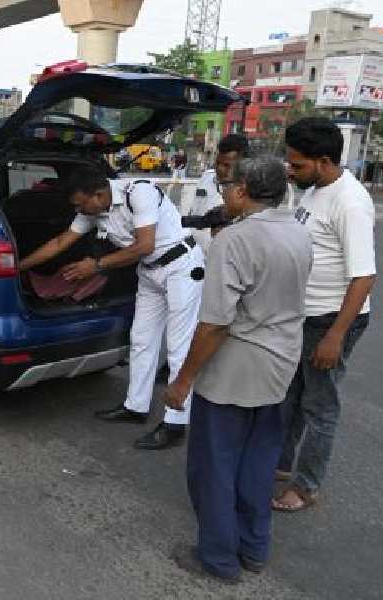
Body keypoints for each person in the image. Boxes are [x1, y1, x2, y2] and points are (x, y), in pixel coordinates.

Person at [164, 157, 313, 582]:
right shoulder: (299, 232)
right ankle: (253, 548)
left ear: (244, 189)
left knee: (214, 465)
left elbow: (215, 324)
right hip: (281, 364)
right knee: (259, 462)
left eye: (228, 185)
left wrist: (183, 380)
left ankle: (218, 558)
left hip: (236, 370)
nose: (224, 192)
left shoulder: (235, 240)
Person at [18, 163, 204, 450]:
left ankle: (175, 422)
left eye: (82, 205)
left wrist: (97, 266)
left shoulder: (138, 193)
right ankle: (135, 407)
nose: (80, 212)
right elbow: (59, 242)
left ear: (100, 194)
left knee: (178, 346)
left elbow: (145, 244)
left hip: (181, 268)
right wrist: (18, 267)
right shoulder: (92, 209)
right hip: (150, 272)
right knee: (141, 340)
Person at [272, 118, 376, 512]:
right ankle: (281, 464)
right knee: (291, 395)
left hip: (330, 319)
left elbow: (364, 276)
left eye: (297, 165)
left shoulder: (350, 202)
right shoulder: (314, 190)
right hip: (305, 314)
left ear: (324, 160)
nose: (290, 170)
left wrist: (335, 335)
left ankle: (307, 486)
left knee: (319, 407)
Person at [187, 134, 249, 253]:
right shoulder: (207, 177)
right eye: (218, 163)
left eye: (227, 165)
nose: (220, 169)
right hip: (194, 257)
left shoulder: (251, 191)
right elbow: (194, 211)